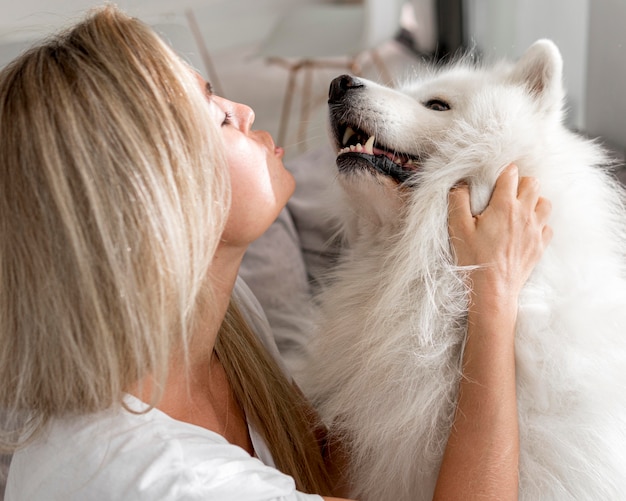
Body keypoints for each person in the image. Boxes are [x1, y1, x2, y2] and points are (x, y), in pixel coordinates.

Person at [0, 6, 552, 500]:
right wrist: (492, 291)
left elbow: (321, 464)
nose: (243, 108)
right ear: (151, 193)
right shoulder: (169, 481)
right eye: (216, 115)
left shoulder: (217, 310)